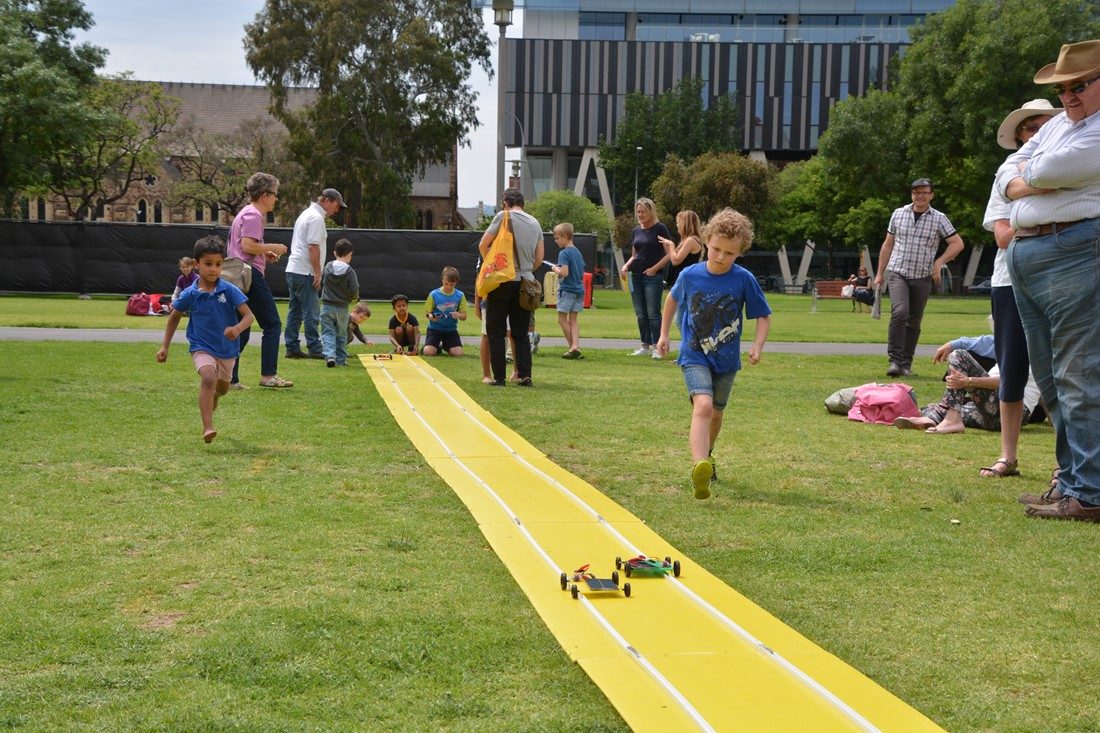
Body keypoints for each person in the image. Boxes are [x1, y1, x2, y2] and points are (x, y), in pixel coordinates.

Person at [998, 40, 1100, 521]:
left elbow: (1047, 168)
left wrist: (1028, 176)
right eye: (1062, 89)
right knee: (1053, 377)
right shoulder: (1063, 124)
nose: (1068, 97)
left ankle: (1090, 491)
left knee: (1078, 374)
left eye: (1079, 85)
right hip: (1034, 252)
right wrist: (1029, 176)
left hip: (1076, 250)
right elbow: (1008, 173)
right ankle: (1071, 480)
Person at [656, 208, 772, 500]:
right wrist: (663, 334)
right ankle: (699, 465)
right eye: (716, 249)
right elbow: (671, 300)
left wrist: (757, 346)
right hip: (694, 354)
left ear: (740, 252)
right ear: (706, 241)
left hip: (727, 360)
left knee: (717, 414)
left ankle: (707, 456)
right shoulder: (690, 275)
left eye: (729, 253)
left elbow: (763, 316)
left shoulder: (744, 279)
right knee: (704, 406)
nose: (720, 257)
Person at [979, 99, 1058, 478]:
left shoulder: (1068, 170)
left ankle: (1068, 464)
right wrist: (1050, 228)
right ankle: (1008, 457)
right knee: (1012, 369)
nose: (1039, 132)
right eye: (1031, 128)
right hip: (1010, 281)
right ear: (1018, 137)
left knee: (1062, 371)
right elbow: (1004, 236)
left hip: (1059, 279)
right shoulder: (1005, 176)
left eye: (1046, 125)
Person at [156, 235, 255, 443]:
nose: (213, 269)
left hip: (227, 350)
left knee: (222, 389)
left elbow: (249, 316)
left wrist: (236, 329)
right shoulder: (190, 293)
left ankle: (215, 397)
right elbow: (174, 317)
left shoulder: (229, 290)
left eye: (218, 264)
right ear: (196, 264)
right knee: (208, 378)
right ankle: (208, 427)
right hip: (201, 346)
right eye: (208, 264)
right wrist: (165, 346)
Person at [874, 179, 965, 377]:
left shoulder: (939, 218)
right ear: (912, 194)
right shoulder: (899, 214)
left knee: (914, 321)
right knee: (900, 312)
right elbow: (888, 244)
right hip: (898, 272)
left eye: (924, 192)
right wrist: (880, 274)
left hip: (923, 276)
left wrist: (939, 262)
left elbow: (957, 243)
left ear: (931, 195)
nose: (920, 196)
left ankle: (906, 364)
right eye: (916, 192)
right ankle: (895, 361)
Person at [893, 340, 1041, 436]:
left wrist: (968, 382)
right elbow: (980, 341)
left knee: (959, 355)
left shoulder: (1027, 348)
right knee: (932, 407)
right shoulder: (1009, 345)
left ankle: (951, 420)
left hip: (1010, 411)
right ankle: (931, 419)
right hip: (991, 414)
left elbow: (1009, 382)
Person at [227, 171, 291, 389]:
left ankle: (229, 377)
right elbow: (247, 246)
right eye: (274, 194)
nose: (276, 199)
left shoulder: (245, 212)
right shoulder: (254, 215)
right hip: (250, 275)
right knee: (272, 323)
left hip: (239, 275)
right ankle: (268, 375)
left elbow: (245, 247)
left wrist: (264, 253)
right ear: (264, 195)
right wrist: (272, 246)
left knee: (242, 328)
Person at [478, 187, 544, 387]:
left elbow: (483, 245)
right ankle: (525, 376)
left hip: (503, 281)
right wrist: (524, 269)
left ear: (505, 203)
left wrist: (495, 268)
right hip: (525, 282)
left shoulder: (503, 216)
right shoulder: (535, 222)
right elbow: (539, 258)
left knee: (496, 331)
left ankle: (499, 377)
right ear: (523, 203)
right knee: (520, 333)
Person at [284, 188, 346, 360]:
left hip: (293, 269)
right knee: (311, 311)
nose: (337, 209)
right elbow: (313, 246)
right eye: (336, 204)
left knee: (295, 311)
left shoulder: (306, 213)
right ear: (326, 200)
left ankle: (292, 347)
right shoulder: (316, 218)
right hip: (305, 271)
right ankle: (315, 348)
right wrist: (318, 274)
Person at [620, 198, 671, 359]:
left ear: (651, 212)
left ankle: (658, 347)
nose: (640, 215)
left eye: (643, 211)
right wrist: (626, 266)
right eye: (638, 212)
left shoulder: (660, 228)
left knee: (653, 313)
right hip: (636, 275)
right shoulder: (636, 230)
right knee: (641, 313)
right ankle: (645, 345)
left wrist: (654, 269)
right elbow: (635, 255)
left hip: (652, 277)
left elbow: (670, 253)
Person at [319, 238, 359, 367]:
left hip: (326, 306)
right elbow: (354, 288)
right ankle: (341, 359)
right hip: (342, 308)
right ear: (350, 255)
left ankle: (330, 355)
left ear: (335, 253)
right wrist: (354, 298)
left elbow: (321, 281)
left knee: (327, 332)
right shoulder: (349, 271)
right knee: (341, 334)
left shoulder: (328, 266)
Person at [548, 222, 586, 359]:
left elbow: (564, 272)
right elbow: (580, 272)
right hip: (579, 290)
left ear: (565, 236)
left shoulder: (564, 253)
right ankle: (575, 345)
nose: (556, 241)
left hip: (567, 290)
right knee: (573, 320)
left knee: (562, 319)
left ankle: (572, 348)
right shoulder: (578, 252)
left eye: (557, 238)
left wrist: (555, 269)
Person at [422, 266, 467, 356]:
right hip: (434, 329)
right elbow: (427, 313)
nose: (449, 287)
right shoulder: (434, 294)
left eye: (452, 284)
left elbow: (464, 316)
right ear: (442, 280)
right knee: (429, 352)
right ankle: (433, 346)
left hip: (450, 330)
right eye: (446, 284)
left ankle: (445, 345)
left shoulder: (460, 295)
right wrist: (431, 317)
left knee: (458, 354)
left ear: (456, 283)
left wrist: (458, 315)